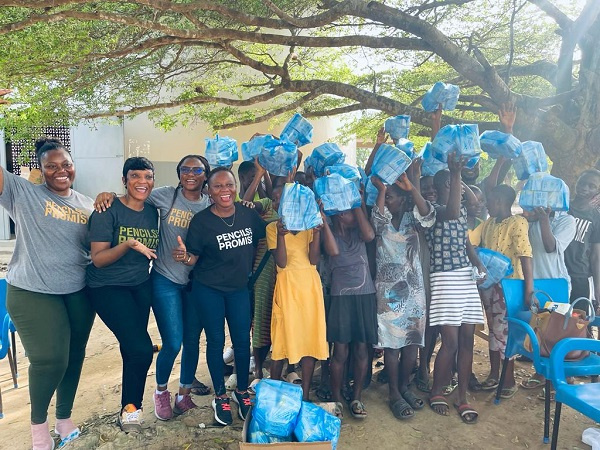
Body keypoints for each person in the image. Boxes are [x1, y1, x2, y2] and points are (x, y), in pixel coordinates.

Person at [94, 155, 213, 419]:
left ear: (206, 174)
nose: (191, 174)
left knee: (192, 341)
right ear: (179, 172)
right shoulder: (165, 196)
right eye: (185, 169)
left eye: (198, 170)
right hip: (165, 280)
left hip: (196, 283)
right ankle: (160, 392)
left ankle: (184, 395)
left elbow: (232, 203)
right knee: (173, 342)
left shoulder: (211, 201)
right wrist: (109, 194)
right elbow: (134, 195)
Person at [2, 137, 95, 450]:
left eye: (65, 164)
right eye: (51, 166)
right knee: (49, 360)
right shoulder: (23, 192)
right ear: (40, 171)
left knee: (73, 357)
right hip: (33, 290)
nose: (61, 171)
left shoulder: (88, 203)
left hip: (79, 292)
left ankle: (64, 417)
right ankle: (38, 425)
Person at [178, 167, 266, 426]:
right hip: (209, 290)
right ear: (208, 190)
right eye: (218, 186)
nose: (225, 190)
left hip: (239, 289)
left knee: (241, 341)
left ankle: (240, 391)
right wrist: (184, 256)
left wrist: (252, 269)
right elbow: (192, 258)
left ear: (235, 186)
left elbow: (262, 239)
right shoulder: (202, 222)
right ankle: (220, 395)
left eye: (229, 185)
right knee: (215, 342)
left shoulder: (248, 215)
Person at [87, 157, 159, 433]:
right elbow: (98, 259)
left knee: (132, 348)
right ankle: (132, 408)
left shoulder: (153, 211)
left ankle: (129, 407)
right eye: (135, 176)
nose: (142, 182)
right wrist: (129, 244)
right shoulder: (107, 210)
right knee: (142, 349)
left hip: (140, 285)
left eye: (148, 176)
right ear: (124, 180)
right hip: (107, 287)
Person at [426, 153, 486, 424]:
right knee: (449, 342)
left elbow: (465, 240)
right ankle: (437, 391)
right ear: (439, 189)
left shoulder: (461, 208)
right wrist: (455, 173)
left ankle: (462, 396)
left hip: (464, 277)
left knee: (467, 341)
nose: (455, 190)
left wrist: (478, 264)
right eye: (449, 185)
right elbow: (450, 212)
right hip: (444, 278)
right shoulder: (431, 211)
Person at [371, 169, 435, 420]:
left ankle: (405, 387)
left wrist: (411, 188)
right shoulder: (382, 218)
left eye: (392, 197)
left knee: (411, 344)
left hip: (414, 290)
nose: (388, 201)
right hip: (388, 294)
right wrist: (382, 190)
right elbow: (375, 220)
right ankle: (394, 393)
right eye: (387, 197)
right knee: (391, 345)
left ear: (404, 199)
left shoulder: (413, 218)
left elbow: (429, 215)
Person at [267, 194, 338, 403]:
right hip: (287, 287)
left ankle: (305, 395)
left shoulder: (309, 227)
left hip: (310, 287)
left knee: (309, 340)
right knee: (281, 342)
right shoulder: (272, 228)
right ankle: (275, 396)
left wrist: (316, 232)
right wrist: (281, 235)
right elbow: (281, 262)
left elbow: (314, 259)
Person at [469, 184, 534, 399]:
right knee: (494, 330)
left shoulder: (517, 222)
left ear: (501, 202)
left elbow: (525, 255)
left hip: (510, 285)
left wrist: (529, 289)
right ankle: (495, 374)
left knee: (505, 332)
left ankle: (508, 379)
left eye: (491, 200)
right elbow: (474, 243)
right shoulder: (488, 224)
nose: (488, 204)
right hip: (490, 285)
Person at [326, 196, 376, 420]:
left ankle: (356, 396)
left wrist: (356, 203)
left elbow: (370, 235)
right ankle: (336, 397)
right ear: (337, 214)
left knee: (362, 349)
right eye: (347, 211)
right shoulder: (330, 231)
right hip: (341, 297)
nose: (354, 216)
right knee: (341, 351)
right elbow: (333, 251)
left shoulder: (360, 231)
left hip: (365, 294)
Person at [519, 206, 576, 389]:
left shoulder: (566, 221)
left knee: (556, 332)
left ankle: (556, 378)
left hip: (556, 282)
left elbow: (550, 247)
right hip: (533, 283)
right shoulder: (529, 220)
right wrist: (530, 217)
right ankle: (541, 372)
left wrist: (544, 220)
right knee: (539, 330)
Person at [242, 159, 280, 393]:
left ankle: (281, 366)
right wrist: (260, 173)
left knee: (281, 320)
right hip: (263, 271)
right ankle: (257, 370)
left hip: (287, 273)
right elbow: (245, 202)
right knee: (261, 319)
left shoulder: (297, 208)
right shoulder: (266, 205)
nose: (279, 199)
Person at [564, 169, 600, 308]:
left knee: (577, 324)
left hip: (579, 277)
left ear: (597, 191)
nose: (585, 188)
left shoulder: (596, 217)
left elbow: (596, 256)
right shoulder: (562, 207)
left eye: (592, 186)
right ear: (576, 183)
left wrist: (597, 289)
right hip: (555, 273)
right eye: (582, 183)